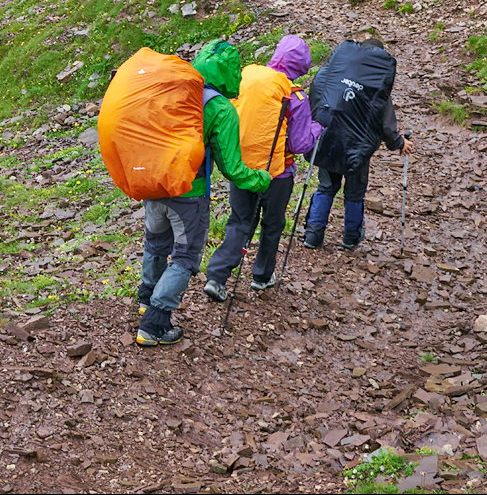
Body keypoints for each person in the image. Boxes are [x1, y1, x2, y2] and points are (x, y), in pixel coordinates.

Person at [136, 39, 271, 347]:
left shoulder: (173, 89)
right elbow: (233, 169)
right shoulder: (220, 108)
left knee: (156, 245)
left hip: (156, 183)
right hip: (189, 194)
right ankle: (154, 323)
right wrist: (261, 179)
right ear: (230, 73)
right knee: (185, 257)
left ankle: (146, 299)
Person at [204, 35, 322, 298]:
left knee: (239, 222)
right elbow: (300, 144)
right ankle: (262, 276)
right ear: (300, 66)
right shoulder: (295, 96)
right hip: (277, 174)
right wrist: (317, 127)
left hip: (241, 169)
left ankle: (217, 276)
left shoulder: (245, 78)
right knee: (272, 224)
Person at [303, 37, 414, 250]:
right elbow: (386, 124)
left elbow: (316, 96)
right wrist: (400, 143)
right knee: (354, 192)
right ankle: (351, 237)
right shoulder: (375, 85)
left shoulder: (335, 74)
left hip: (328, 140)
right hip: (357, 148)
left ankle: (313, 236)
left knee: (326, 187)